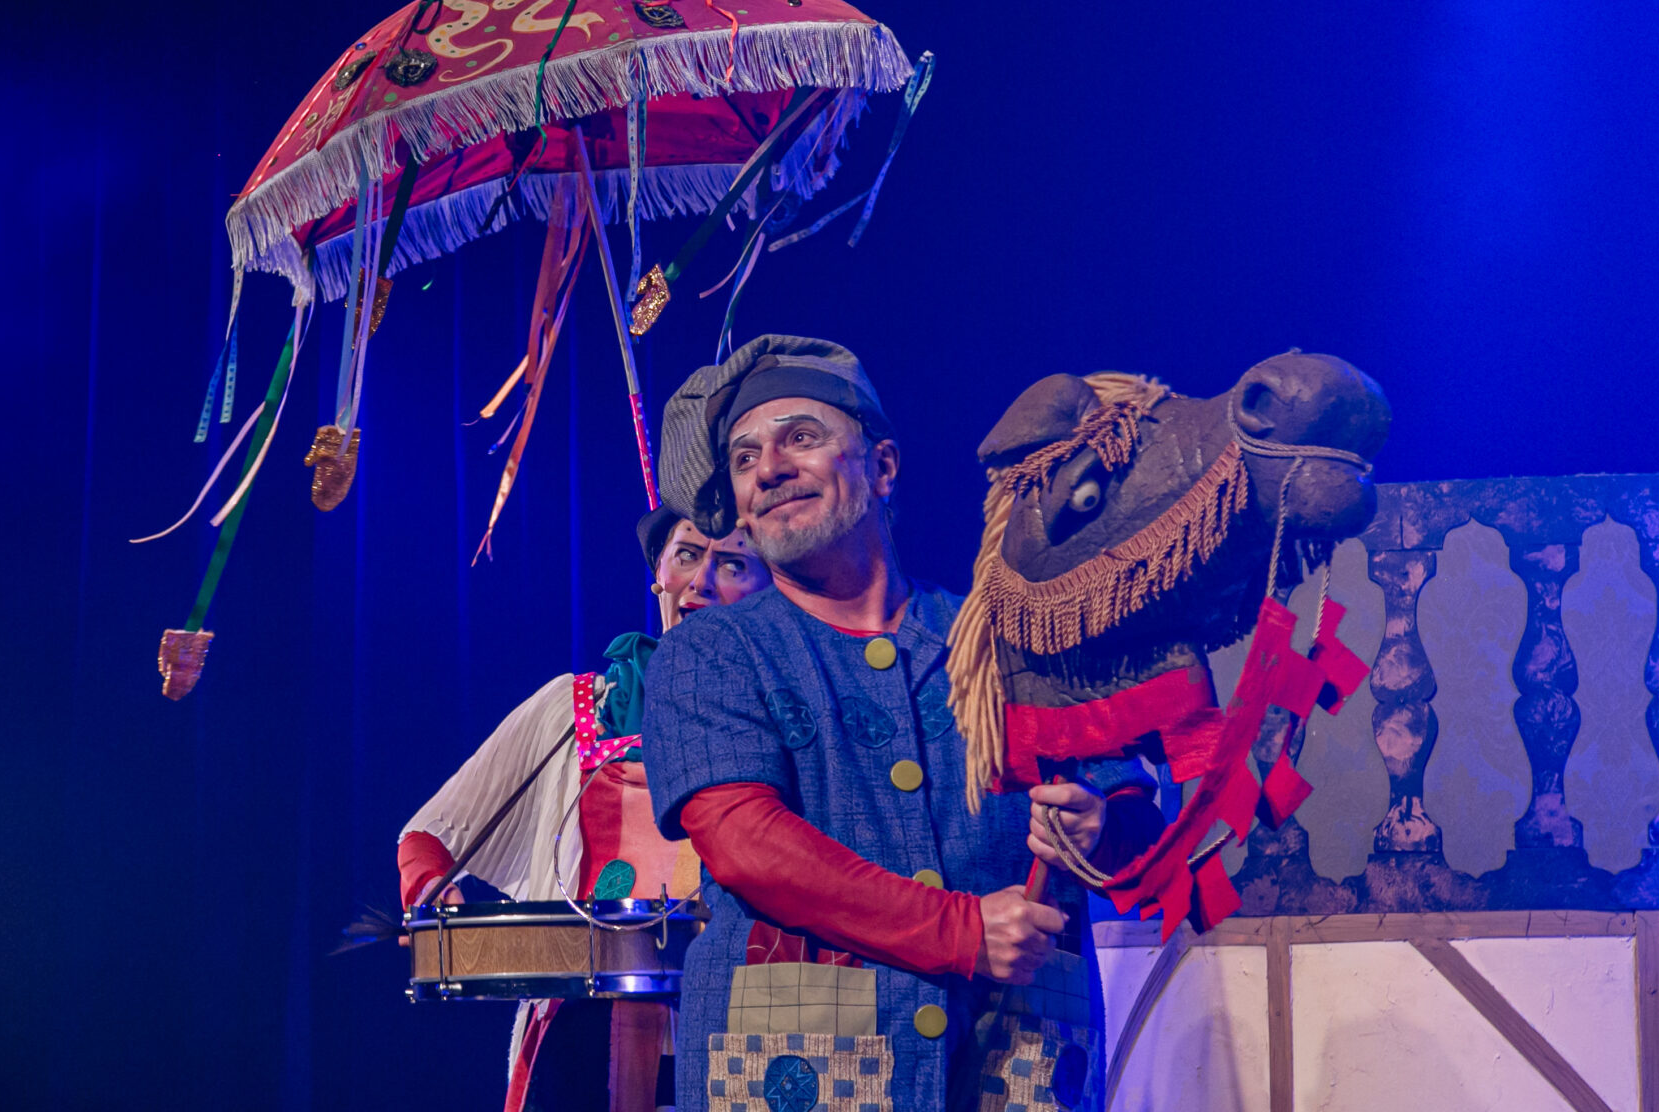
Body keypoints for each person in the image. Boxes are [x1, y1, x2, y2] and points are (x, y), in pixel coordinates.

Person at [641, 336, 1165, 1111]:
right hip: (796, 1071)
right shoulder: (712, 651)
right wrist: (962, 931)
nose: (769, 469)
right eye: (745, 458)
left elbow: (1139, 829)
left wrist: (1102, 827)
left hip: (1015, 1064)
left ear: (883, 466)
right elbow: (746, 844)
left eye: (800, 437)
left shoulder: (1012, 636)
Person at [397, 506, 771, 1112]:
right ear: (659, 575)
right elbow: (429, 835)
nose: (702, 580)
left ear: (768, 589)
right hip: (584, 1041)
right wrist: (432, 890)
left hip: (741, 1033)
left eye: (733, 563)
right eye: (686, 555)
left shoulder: (788, 720)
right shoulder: (573, 711)